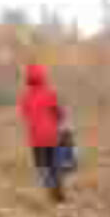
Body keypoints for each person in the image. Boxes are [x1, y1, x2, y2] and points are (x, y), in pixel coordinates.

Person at [18, 63, 67, 202]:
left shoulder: (25, 98)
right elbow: (59, 113)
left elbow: (25, 115)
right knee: (55, 165)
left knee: (42, 166)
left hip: (36, 139)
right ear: (43, 77)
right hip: (52, 136)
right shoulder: (50, 94)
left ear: (28, 80)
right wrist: (58, 120)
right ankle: (59, 193)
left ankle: (50, 188)